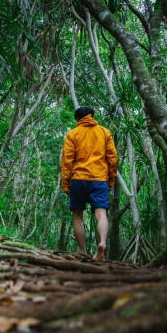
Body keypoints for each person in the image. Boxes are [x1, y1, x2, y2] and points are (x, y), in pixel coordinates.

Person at [60, 106, 118, 262]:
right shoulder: (104, 132)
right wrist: (111, 180)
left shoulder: (72, 134)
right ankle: (102, 244)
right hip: (99, 179)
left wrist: (66, 184)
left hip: (79, 179)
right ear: (92, 116)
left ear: (77, 119)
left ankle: (84, 251)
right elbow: (112, 158)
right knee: (101, 214)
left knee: (77, 215)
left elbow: (67, 162)